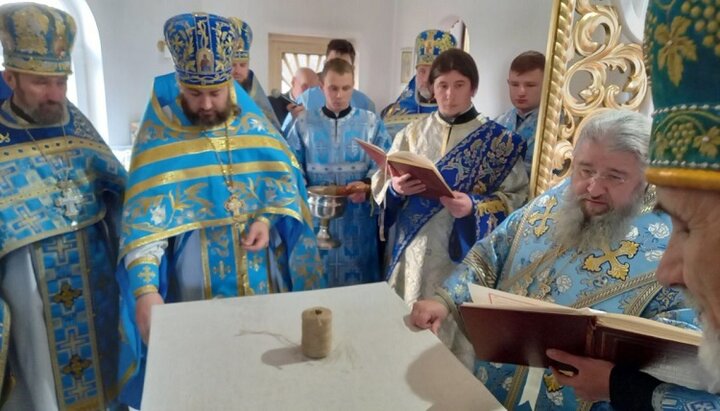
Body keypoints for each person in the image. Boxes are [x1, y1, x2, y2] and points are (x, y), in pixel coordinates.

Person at [410, 109, 700, 410]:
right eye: (585, 170)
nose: (594, 188)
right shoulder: (553, 200)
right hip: (492, 388)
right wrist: (444, 300)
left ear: (647, 177)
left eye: (615, 177)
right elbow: (492, 253)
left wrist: (617, 384)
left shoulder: (673, 245)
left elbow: (686, 356)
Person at [116, 13, 324, 407]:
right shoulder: (159, 137)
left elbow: (285, 182)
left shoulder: (253, 125)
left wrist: (266, 218)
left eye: (217, 91)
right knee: (205, 385)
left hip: (263, 281)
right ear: (178, 84)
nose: (208, 104)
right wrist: (144, 290)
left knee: (266, 380)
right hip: (193, 286)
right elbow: (143, 227)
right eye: (195, 94)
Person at [544, 1, 720, 408]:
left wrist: (625, 389)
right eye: (584, 170)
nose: (665, 271)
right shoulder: (553, 204)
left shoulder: (650, 238)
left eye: (689, 226)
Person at [0, 3, 126, 410]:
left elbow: (120, 191)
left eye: (61, 81)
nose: (55, 94)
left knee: (105, 370)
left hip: (95, 276)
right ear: (10, 77)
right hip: (26, 280)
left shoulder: (75, 123)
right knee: (42, 379)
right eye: (41, 82)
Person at [287, 58, 391, 286]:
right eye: (333, 88)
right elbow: (291, 166)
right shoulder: (304, 123)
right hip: (316, 220)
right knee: (316, 284)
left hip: (357, 220)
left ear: (353, 86)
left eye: (346, 88)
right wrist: (308, 193)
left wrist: (366, 184)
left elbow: (386, 164)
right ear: (322, 86)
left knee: (357, 287)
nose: (339, 95)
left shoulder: (371, 123)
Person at [280, 39, 376, 132]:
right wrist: (293, 121)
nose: (337, 71)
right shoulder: (306, 99)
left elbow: (376, 143)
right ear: (324, 65)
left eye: (344, 66)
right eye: (332, 64)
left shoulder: (366, 105)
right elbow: (284, 138)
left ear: (353, 69)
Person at [381, 29, 457, 139]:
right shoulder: (395, 112)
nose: (426, 79)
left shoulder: (458, 111)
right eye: (422, 71)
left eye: (433, 72)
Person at [495, 51, 545, 175]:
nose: (521, 92)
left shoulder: (558, 127)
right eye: (515, 84)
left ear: (547, 85)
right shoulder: (497, 123)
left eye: (530, 85)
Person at [228, 18, 281, 132]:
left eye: (242, 65)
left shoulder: (258, 99)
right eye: (232, 65)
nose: (237, 71)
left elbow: (274, 133)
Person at [268, 67, 320, 134]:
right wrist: (290, 121)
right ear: (293, 82)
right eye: (305, 86)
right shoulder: (271, 104)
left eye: (312, 89)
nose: (308, 92)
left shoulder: (318, 109)